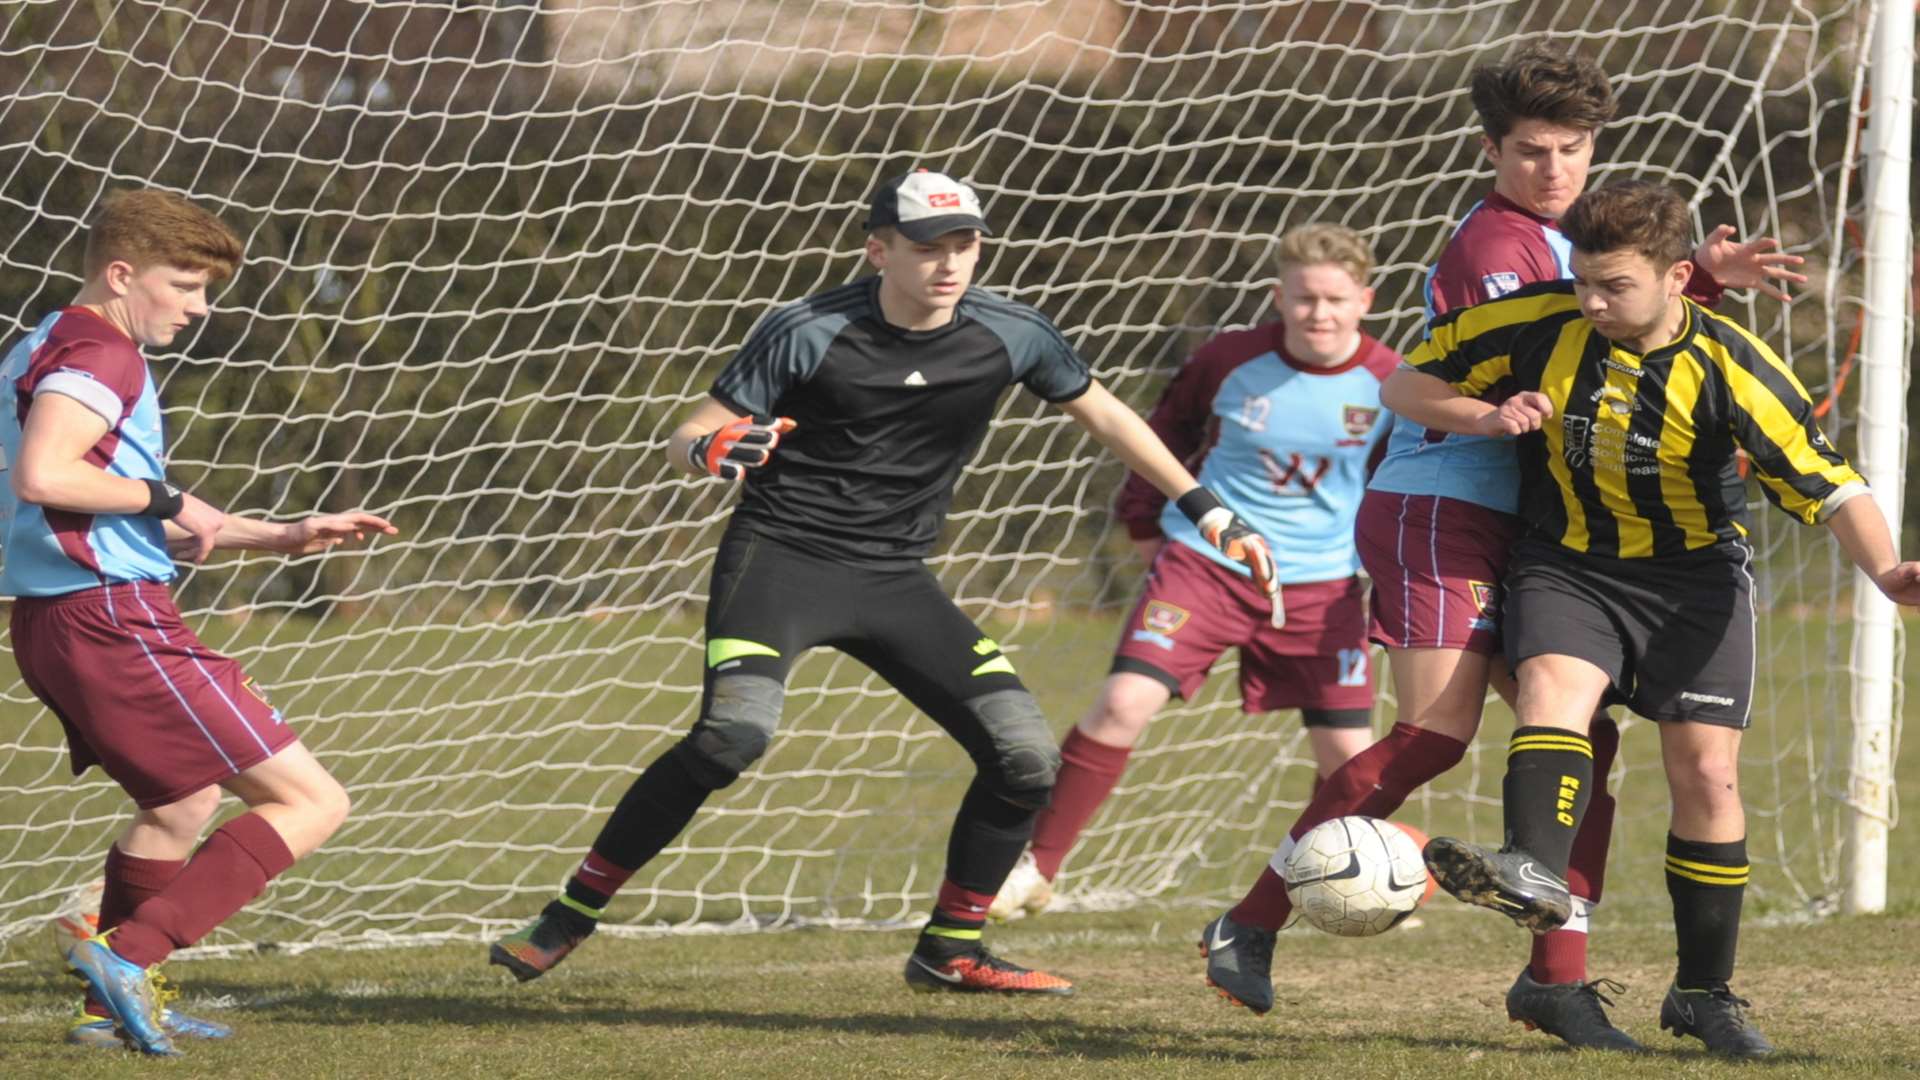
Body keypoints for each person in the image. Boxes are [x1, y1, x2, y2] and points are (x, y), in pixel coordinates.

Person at [488, 169, 1277, 995]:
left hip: (895, 576)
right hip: (781, 561)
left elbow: (1109, 413)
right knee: (733, 737)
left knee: (1024, 757)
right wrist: (709, 452)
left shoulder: (1013, 332)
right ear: (879, 250)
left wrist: (1207, 508)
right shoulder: (807, 328)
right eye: (927, 246)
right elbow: (692, 429)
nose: (948, 263)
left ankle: (950, 950)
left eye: (963, 245)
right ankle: (567, 916)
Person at [1197, 46, 1806, 1050]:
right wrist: (1697, 291)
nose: (1554, 169)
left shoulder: (1578, 237)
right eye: (1531, 151)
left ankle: (1556, 979)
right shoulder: (1498, 245)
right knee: (1436, 735)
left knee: (1580, 741)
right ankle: (1251, 922)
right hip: (1444, 501)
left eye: (1573, 149)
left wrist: (1703, 285)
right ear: (1492, 149)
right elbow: (1585, 354)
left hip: (1535, 521)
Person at [1394, 179, 1920, 1059]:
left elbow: (1832, 485)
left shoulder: (1732, 364)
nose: (1593, 302)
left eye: (1615, 286)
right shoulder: (1536, 322)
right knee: (1555, 690)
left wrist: (1887, 569)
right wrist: (1486, 414)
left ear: (1678, 276)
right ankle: (1531, 865)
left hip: (1695, 583)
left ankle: (1704, 995)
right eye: (1585, 281)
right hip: (1570, 566)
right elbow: (1406, 386)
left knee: (1707, 777)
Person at [2, 188, 397, 1056]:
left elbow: (117, 501)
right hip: (111, 618)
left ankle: (108, 1013)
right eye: (183, 284)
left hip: (60, 618)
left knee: (180, 806)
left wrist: (281, 534)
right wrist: (171, 495)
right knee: (313, 800)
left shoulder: (46, 342)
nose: (198, 307)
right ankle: (127, 954)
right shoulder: (103, 354)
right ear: (120, 274)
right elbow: (44, 475)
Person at [988, 224, 1398, 922]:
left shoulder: (1392, 382)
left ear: (1365, 298)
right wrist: (1150, 530)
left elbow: (1397, 486)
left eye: (1334, 299)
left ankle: (1346, 880)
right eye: (1304, 298)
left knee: (1352, 763)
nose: (1319, 314)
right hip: (1207, 566)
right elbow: (1160, 440)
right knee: (1121, 704)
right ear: (1279, 296)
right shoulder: (1226, 361)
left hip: (1323, 588)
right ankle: (1032, 869)